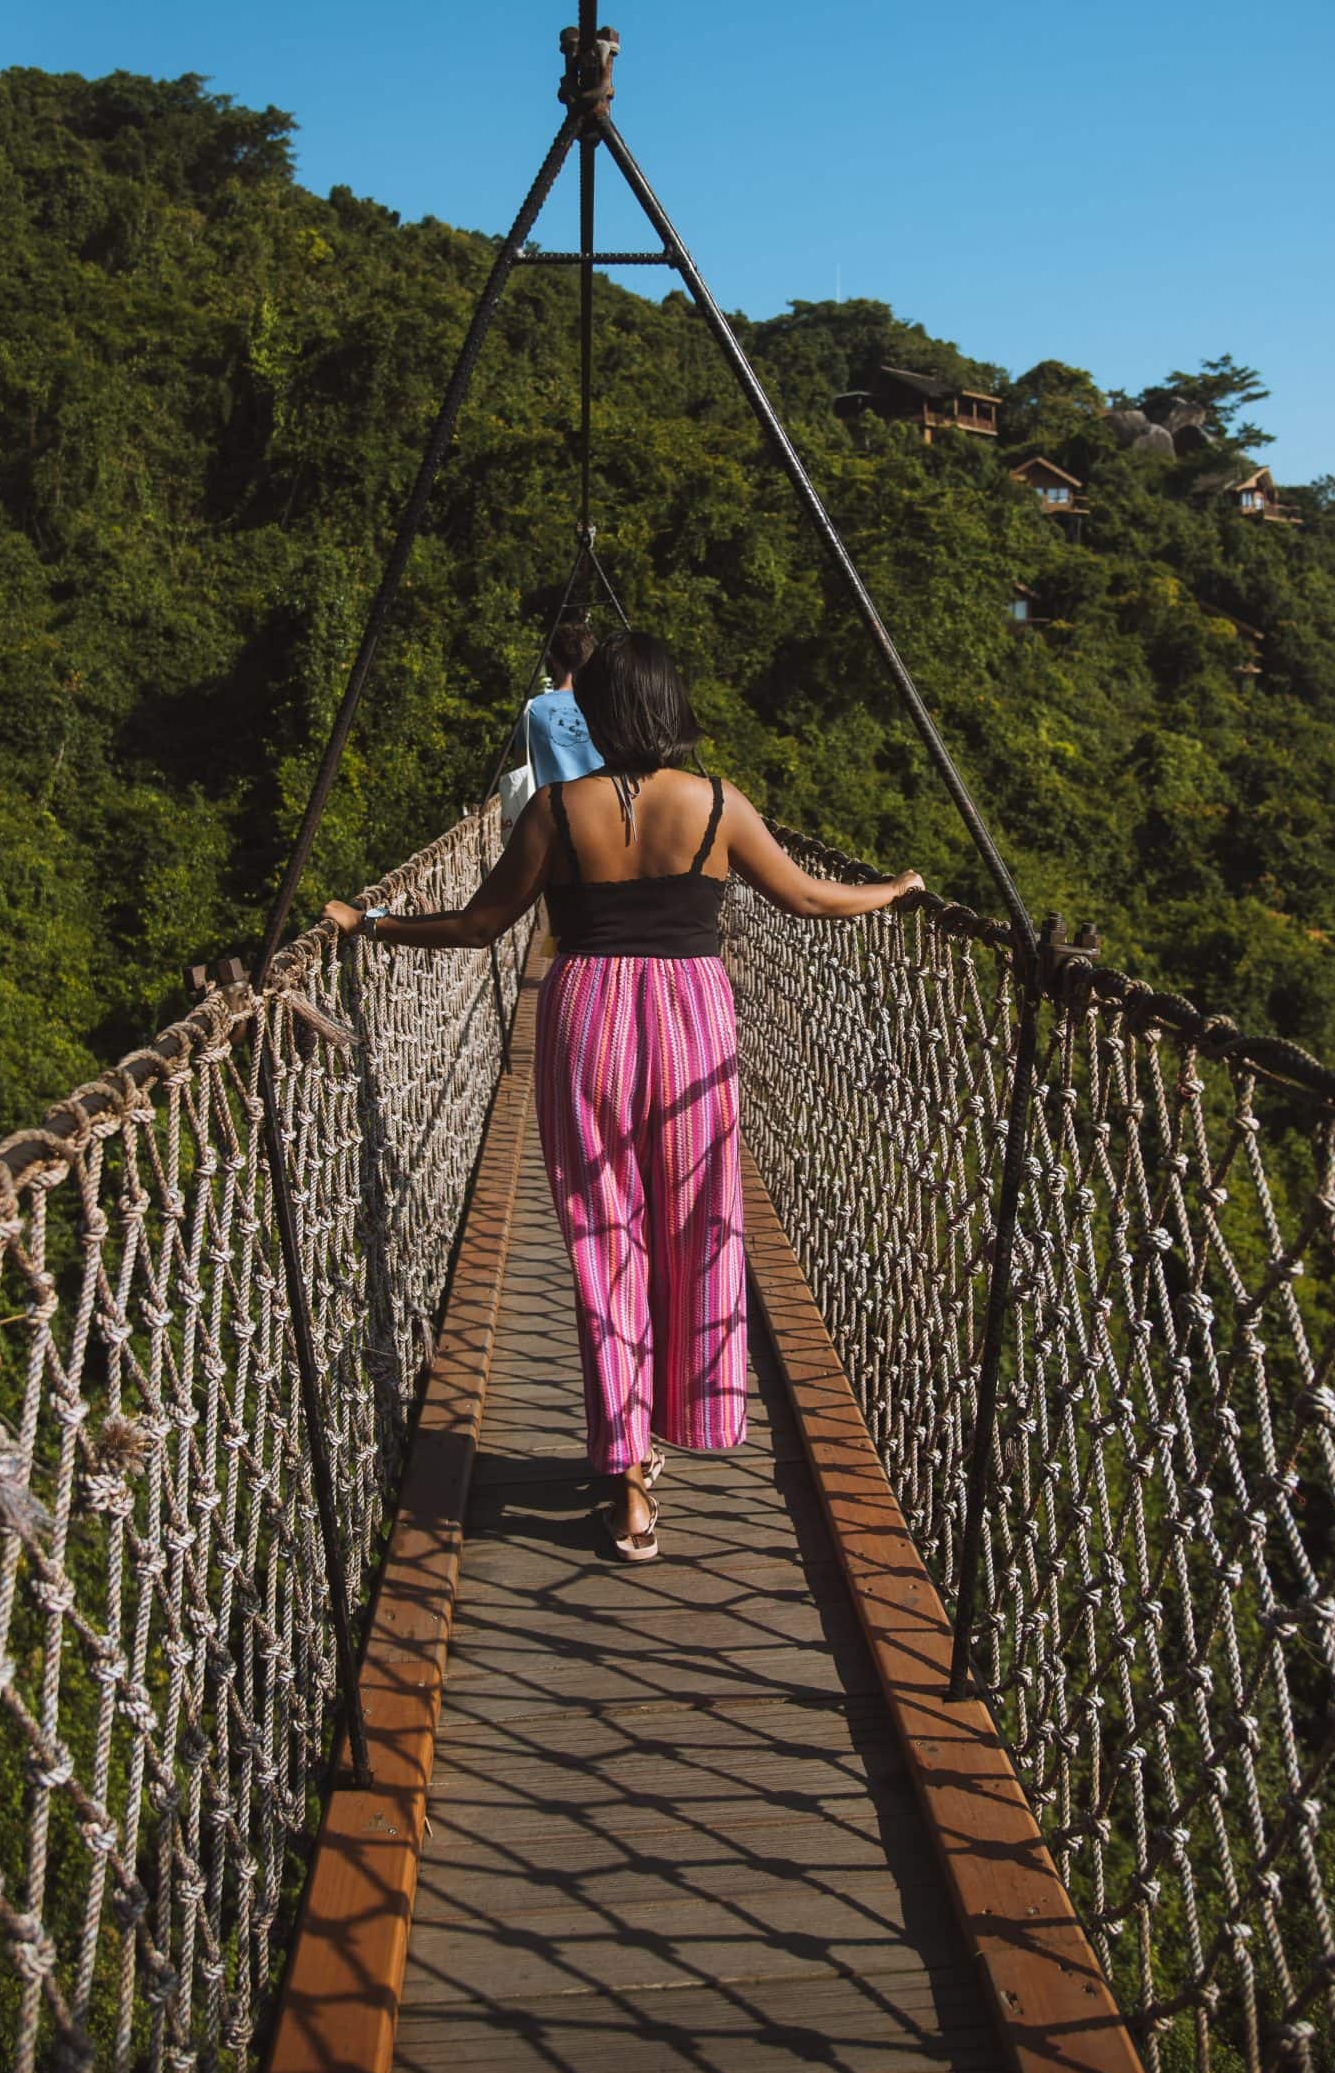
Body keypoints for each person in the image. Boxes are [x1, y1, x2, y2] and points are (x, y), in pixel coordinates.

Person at [324, 633, 922, 1562]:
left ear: (596, 715)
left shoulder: (558, 810)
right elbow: (807, 900)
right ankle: (695, 1413)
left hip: (587, 1013)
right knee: (699, 1222)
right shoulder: (717, 802)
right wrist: (892, 890)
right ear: (674, 709)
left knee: (604, 1239)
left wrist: (374, 922)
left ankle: (627, 1479)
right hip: (691, 1017)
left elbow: (482, 925)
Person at [513, 616, 605, 788]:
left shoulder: (532, 710)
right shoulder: (606, 706)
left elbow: (520, 772)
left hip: (553, 810)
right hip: (605, 809)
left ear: (553, 660)